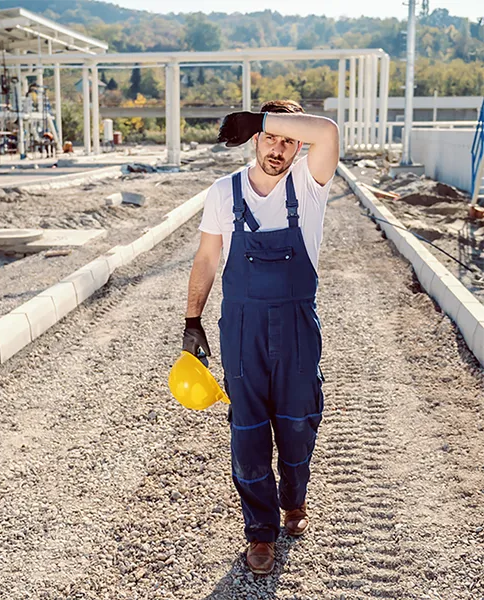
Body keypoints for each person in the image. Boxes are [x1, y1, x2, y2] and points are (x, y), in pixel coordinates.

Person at [182, 100, 339, 575]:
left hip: (295, 328)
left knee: (297, 424)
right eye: (269, 137)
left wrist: (263, 118)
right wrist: (193, 321)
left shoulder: (310, 186)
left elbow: (328, 131)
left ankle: (294, 501)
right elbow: (208, 259)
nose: (278, 147)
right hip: (243, 328)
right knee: (247, 431)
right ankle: (260, 532)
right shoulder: (222, 193)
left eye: (288, 138)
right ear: (254, 141)